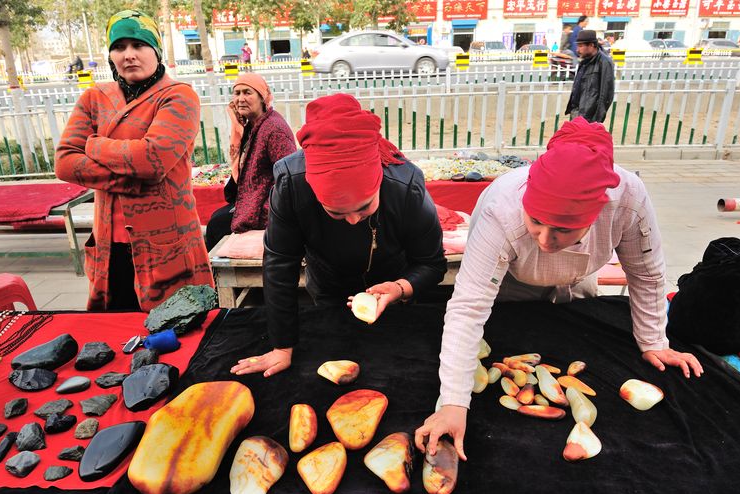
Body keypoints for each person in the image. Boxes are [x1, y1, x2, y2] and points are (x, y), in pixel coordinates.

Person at [414, 117, 703, 460]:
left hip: (578, 280)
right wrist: (454, 403)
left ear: (596, 215)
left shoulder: (628, 200)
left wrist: (654, 340)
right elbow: (468, 307)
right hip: (511, 284)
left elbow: (647, 274)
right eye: (535, 221)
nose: (545, 239)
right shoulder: (502, 209)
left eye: (564, 229)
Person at [230, 93, 447, 378]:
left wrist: (400, 287)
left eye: (364, 206)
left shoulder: (405, 184)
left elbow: (432, 263)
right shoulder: (292, 183)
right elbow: (280, 264)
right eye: (336, 213)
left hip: (396, 287)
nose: (354, 221)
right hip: (329, 286)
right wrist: (282, 347)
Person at [55, 9, 214, 311]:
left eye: (138, 45)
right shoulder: (94, 98)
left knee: (176, 334)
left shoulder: (178, 96)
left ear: (156, 50)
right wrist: (133, 178)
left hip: (166, 245)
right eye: (119, 46)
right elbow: (64, 163)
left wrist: (94, 144)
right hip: (109, 247)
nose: (128, 54)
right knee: (114, 335)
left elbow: (152, 160)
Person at [205, 73, 296, 250]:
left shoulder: (274, 130)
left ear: (262, 98)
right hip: (252, 200)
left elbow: (288, 181)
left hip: (265, 209)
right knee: (216, 219)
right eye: (236, 93)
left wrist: (266, 213)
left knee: (216, 225)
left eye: (247, 93)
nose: (240, 99)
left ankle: (215, 276)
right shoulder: (253, 125)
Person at [565, 29, 615, 123]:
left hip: (589, 117)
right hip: (577, 112)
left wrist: (597, 120)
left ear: (591, 45)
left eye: (580, 46)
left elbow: (606, 95)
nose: (577, 50)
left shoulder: (604, 62)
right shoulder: (585, 60)